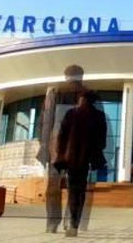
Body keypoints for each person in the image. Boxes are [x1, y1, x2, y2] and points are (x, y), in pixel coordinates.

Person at [53, 65, 108, 238]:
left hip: (70, 159)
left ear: (80, 99)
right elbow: (102, 141)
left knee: (72, 190)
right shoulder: (98, 116)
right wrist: (95, 155)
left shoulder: (71, 113)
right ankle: (74, 224)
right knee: (81, 191)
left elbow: (61, 137)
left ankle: (71, 222)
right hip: (85, 160)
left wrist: (60, 155)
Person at [36, 83, 75, 234]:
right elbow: (42, 124)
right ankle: (52, 221)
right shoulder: (52, 96)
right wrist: (44, 144)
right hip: (55, 151)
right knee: (52, 188)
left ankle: (70, 221)